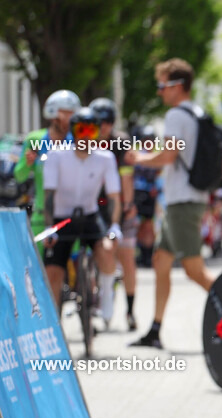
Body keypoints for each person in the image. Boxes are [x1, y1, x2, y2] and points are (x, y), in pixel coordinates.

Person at [132, 57, 222, 349]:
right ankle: (155, 330)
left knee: (194, 271)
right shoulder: (200, 115)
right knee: (161, 262)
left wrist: (139, 159)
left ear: (177, 86)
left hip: (183, 203)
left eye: (162, 85)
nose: (159, 92)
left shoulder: (176, 116)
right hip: (188, 201)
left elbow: (168, 156)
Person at [41, 106, 120, 321]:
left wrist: (114, 226)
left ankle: (106, 293)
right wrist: (50, 228)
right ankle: (53, 321)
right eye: (81, 131)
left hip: (90, 215)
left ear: (98, 133)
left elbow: (113, 196)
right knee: (53, 273)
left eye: (91, 131)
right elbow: (49, 195)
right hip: (61, 217)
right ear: (73, 132)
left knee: (106, 248)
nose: (86, 137)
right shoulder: (56, 156)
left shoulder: (106, 158)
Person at [90, 97, 139, 330]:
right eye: (99, 123)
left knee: (126, 256)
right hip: (92, 202)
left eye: (107, 123)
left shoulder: (121, 142)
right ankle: (94, 299)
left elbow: (126, 177)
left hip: (118, 201)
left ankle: (130, 311)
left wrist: (128, 205)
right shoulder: (84, 141)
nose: (103, 128)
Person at [14, 89, 79, 248]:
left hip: (72, 215)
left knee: (73, 267)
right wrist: (27, 164)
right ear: (53, 114)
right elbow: (19, 176)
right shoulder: (35, 139)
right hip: (42, 216)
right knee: (41, 267)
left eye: (72, 114)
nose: (68, 119)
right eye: (64, 113)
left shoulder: (78, 140)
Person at [131, 125, 161, 268]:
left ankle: (148, 254)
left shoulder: (157, 154)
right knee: (137, 225)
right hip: (137, 194)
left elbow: (160, 175)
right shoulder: (136, 153)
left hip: (150, 195)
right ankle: (141, 252)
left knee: (149, 225)